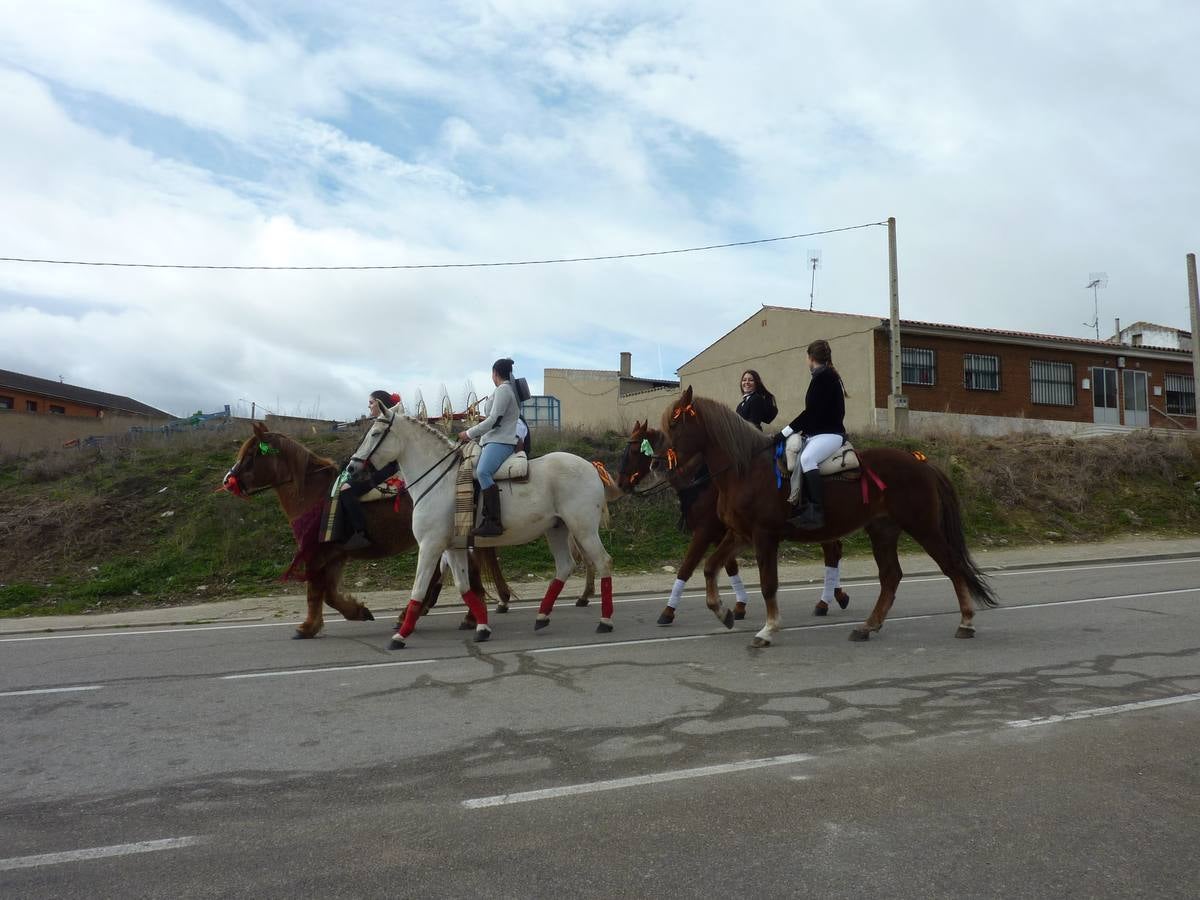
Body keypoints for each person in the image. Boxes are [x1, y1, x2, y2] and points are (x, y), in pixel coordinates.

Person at [773, 340, 847, 530]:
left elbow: (810, 413)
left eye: (807, 358)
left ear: (811, 358)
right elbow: (814, 413)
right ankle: (803, 508)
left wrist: (783, 433)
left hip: (830, 434)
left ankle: (817, 512)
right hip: (818, 434)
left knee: (806, 459)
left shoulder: (824, 377)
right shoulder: (823, 376)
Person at [459, 358, 520, 537]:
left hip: (501, 441)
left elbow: (493, 420)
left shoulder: (503, 390)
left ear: (494, 373)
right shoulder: (506, 390)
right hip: (493, 440)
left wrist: (468, 433)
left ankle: (493, 522)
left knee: (483, 472)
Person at [339, 390, 401, 550]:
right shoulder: (376, 423)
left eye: (371, 403)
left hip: (384, 469)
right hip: (371, 467)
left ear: (380, 404)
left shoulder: (388, 424)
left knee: (346, 490)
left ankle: (361, 533)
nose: (369, 406)